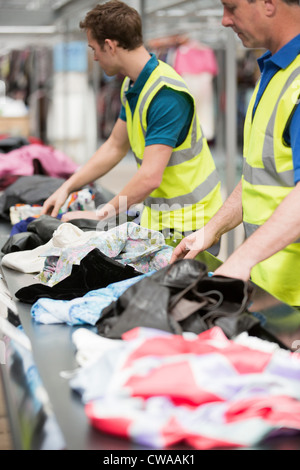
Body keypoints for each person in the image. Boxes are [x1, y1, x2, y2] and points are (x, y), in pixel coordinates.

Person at [42, 0, 223, 250]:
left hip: (191, 226)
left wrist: (101, 215)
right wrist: (68, 186)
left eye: (94, 49)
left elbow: (149, 177)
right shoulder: (133, 84)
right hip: (162, 219)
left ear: (110, 45)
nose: (93, 57)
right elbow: (115, 146)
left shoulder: (165, 94)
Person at [171, 0, 300, 306]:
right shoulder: (273, 73)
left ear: (268, 4)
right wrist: (211, 231)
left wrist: (242, 258)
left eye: (232, 7)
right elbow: (260, 175)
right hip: (269, 291)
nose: (224, 21)